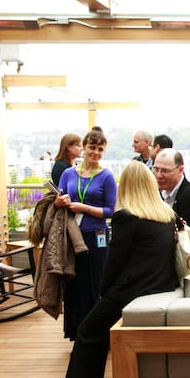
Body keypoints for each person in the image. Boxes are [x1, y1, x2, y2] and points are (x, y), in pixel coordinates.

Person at [62, 161, 179, 378]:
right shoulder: (167, 215)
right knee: (95, 331)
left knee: (87, 332)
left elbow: (114, 262)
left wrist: (104, 292)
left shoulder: (126, 217)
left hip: (131, 290)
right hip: (160, 286)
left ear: (125, 185)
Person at [55, 127, 117, 340]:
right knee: (74, 280)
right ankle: (76, 329)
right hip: (72, 235)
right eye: (92, 147)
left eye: (100, 149)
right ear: (84, 147)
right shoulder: (68, 173)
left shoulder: (107, 176)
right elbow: (59, 197)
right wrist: (59, 201)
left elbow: (110, 210)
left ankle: (98, 331)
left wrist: (84, 208)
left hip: (96, 234)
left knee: (96, 281)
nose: (96, 153)